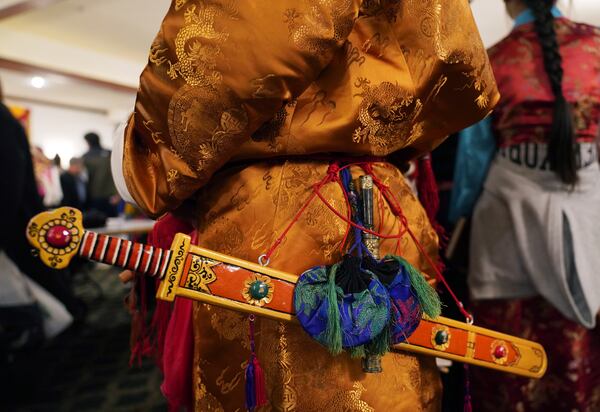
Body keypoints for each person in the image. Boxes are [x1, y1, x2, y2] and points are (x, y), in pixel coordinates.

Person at [112, 1, 498, 410]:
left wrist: (145, 158)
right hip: (383, 196)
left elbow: (239, 49)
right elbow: (457, 70)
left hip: (280, 212)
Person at [455, 1, 600, 410]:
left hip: (506, 224)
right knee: (578, 343)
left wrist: (457, 217)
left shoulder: (493, 60)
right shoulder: (596, 49)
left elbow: (473, 165)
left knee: (508, 345)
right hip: (588, 218)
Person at [82, 132, 118, 217]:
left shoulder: (85, 157)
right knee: (113, 224)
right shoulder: (110, 153)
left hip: (94, 196)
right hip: (110, 195)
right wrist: (118, 194)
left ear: (88, 142)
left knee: (97, 223)